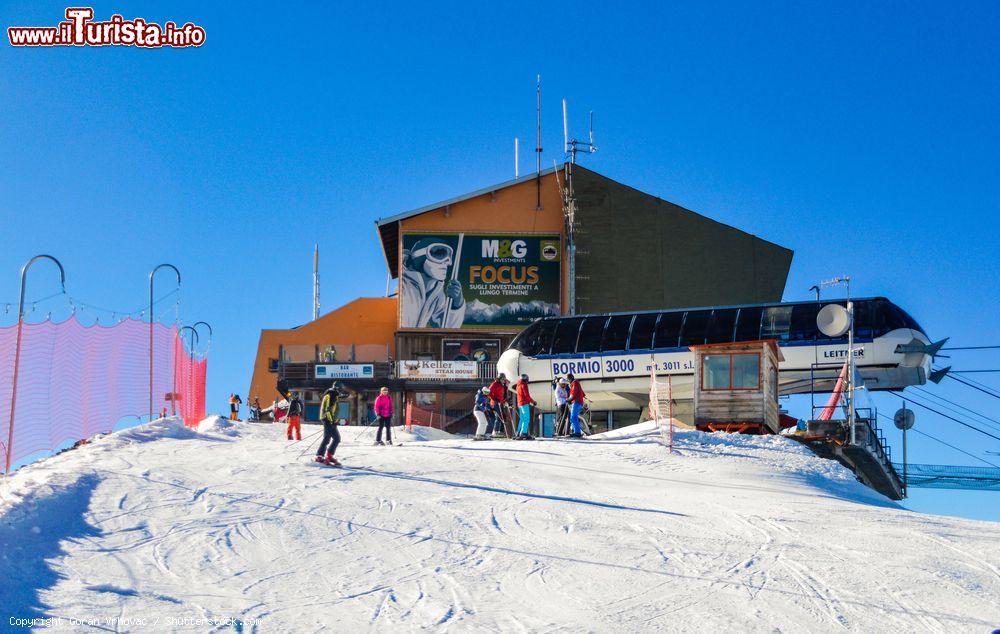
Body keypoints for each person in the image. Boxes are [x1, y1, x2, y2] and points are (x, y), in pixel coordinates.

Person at [399, 238, 466, 328]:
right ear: (419, 255)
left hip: (416, 340)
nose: (448, 262)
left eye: (449, 257)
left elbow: (447, 328)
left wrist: (457, 303)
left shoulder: (437, 295)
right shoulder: (404, 285)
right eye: (439, 254)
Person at [317, 383, 347, 465]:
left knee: (336, 438)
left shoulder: (334, 395)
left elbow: (334, 410)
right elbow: (328, 410)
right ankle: (319, 456)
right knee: (327, 438)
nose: (342, 390)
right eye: (341, 388)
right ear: (338, 388)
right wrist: (331, 421)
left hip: (330, 420)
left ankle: (329, 456)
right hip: (327, 419)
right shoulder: (331, 395)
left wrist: (333, 420)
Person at [514, 374, 537, 440]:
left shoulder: (518, 385)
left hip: (519, 404)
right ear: (525, 379)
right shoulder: (524, 385)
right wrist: (533, 401)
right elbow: (526, 395)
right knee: (526, 418)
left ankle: (518, 432)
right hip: (524, 403)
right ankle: (523, 433)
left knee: (522, 419)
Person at [488, 373, 511, 437]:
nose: (504, 380)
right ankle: (495, 431)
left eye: (504, 379)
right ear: (499, 379)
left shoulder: (502, 385)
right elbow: (488, 392)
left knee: (502, 417)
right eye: (502, 379)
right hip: (495, 403)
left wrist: (505, 401)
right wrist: (494, 399)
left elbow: (503, 396)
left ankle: (500, 431)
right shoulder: (494, 384)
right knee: (498, 417)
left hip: (500, 403)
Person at [567, 374, 586, 438]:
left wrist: (569, 399)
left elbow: (573, 393)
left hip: (576, 402)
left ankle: (577, 432)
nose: (568, 381)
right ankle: (575, 431)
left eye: (568, 379)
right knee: (573, 418)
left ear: (570, 379)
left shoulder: (575, 383)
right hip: (578, 402)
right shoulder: (576, 383)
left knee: (573, 417)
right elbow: (582, 393)